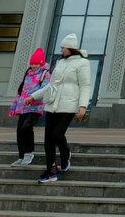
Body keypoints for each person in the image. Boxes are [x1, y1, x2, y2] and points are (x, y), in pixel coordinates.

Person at [25, 33, 90, 183]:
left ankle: (65, 154)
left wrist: (82, 106)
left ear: (71, 48)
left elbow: (85, 86)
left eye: (63, 48)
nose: (61, 50)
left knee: (56, 134)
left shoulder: (82, 63)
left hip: (69, 105)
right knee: (48, 139)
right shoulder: (60, 62)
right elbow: (51, 85)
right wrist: (33, 96)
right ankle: (51, 170)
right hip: (53, 104)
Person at [8, 48, 50, 166]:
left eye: (36, 63)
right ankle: (21, 156)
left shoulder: (45, 74)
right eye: (32, 63)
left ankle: (29, 153)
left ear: (41, 63)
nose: (33, 65)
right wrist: (14, 106)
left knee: (26, 127)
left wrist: (33, 97)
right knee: (19, 131)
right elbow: (21, 91)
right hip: (23, 107)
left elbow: (45, 90)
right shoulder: (28, 73)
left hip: (35, 107)